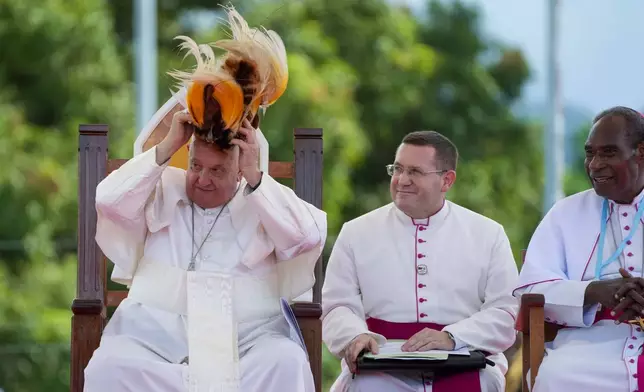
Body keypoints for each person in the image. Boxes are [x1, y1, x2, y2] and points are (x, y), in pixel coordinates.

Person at [83, 7, 327, 392]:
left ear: (241, 165)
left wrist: (257, 180)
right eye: (197, 165)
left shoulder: (262, 198)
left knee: (286, 363)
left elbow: (306, 238)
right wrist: (167, 148)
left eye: (217, 171)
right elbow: (108, 203)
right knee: (108, 368)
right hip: (156, 343)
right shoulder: (163, 186)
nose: (202, 178)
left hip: (245, 345)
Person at [321, 130, 519, 392]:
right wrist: (356, 336)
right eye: (398, 169)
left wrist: (452, 337)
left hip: (466, 361)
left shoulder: (488, 234)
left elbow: (506, 312)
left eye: (414, 172)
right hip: (380, 365)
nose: (402, 180)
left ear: (447, 180)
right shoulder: (356, 232)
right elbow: (336, 306)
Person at [514, 106, 644, 392]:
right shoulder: (566, 213)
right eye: (590, 153)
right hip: (590, 345)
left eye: (608, 152)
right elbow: (530, 289)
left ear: (640, 153)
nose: (595, 164)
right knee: (555, 378)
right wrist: (595, 291)